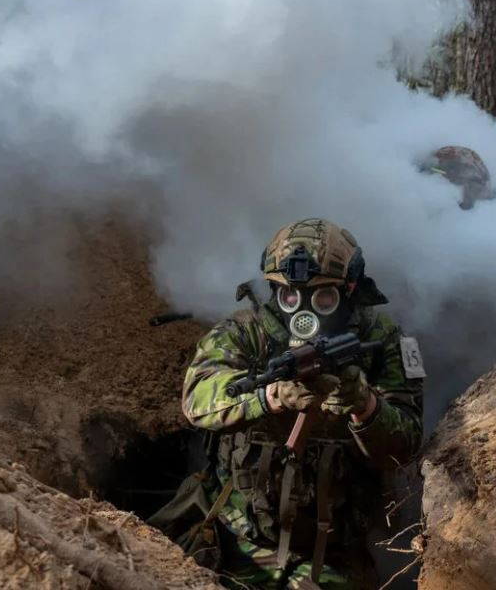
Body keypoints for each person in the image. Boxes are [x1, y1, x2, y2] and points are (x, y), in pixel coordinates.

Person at [163, 218, 424, 589]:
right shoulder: (246, 331)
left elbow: (407, 445)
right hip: (236, 539)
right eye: (289, 295)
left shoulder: (384, 340)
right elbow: (197, 399)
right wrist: (269, 397)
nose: (303, 310)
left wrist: (364, 407)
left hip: (334, 554)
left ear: (349, 288)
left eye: (322, 298)